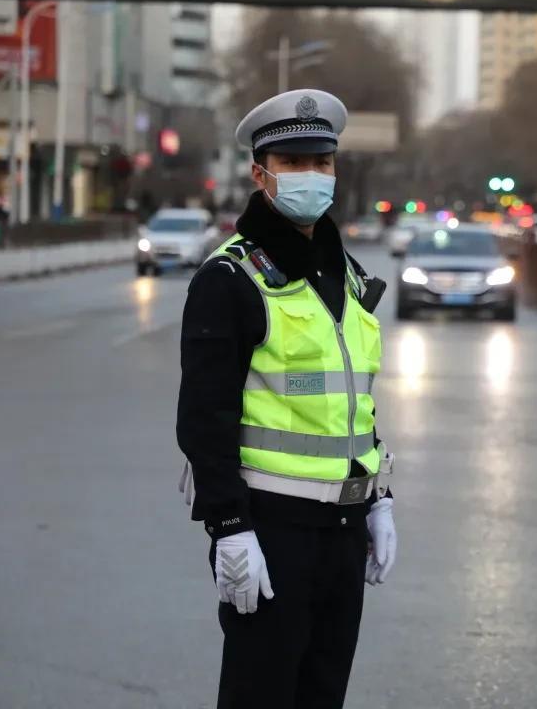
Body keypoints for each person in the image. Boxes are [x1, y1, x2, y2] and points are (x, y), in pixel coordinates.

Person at [177, 89, 397, 709]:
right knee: (261, 696)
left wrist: (379, 497)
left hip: (344, 530)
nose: (311, 175)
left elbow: (355, 401)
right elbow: (203, 419)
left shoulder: (347, 275)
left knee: (322, 695)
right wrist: (229, 529)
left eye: (321, 162)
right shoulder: (230, 277)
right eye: (294, 162)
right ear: (261, 174)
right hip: (271, 530)